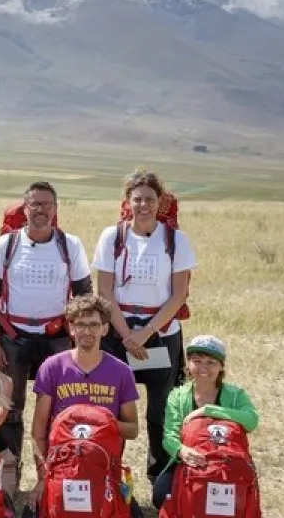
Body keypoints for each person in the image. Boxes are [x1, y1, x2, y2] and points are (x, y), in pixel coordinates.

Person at [0, 181, 92, 494]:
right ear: (24, 208)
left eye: (46, 204)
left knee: (58, 409)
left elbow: (84, 294)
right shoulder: (8, 243)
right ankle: (9, 477)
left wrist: (76, 340)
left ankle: (52, 476)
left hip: (57, 339)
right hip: (13, 339)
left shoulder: (70, 245)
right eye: (34, 204)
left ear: (55, 209)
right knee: (9, 409)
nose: (40, 210)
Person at [92, 169, 196, 483]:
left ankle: (161, 478)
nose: (143, 205)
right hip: (118, 336)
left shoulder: (176, 240)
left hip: (161, 336)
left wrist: (145, 333)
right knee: (112, 405)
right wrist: (127, 336)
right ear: (127, 202)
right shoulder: (112, 237)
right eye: (137, 199)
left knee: (160, 410)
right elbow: (105, 292)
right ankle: (107, 472)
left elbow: (179, 295)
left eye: (150, 199)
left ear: (160, 202)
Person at [25, 295, 140, 512]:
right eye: (81, 325)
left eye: (94, 325)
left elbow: (133, 430)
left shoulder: (121, 371)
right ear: (71, 328)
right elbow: (38, 432)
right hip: (63, 467)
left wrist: (103, 424)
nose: (87, 331)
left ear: (105, 329)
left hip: (104, 469)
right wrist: (43, 477)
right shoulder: (52, 367)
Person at [152, 335, 258, 510]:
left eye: (211, 362)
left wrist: (209, 410)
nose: (203, 368)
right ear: (188, 364)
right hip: (190, 460)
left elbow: (251, 420)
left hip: (227, 461)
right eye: (197, 361)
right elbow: (169, 436)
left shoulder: (235, 394)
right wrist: (181, 451)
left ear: (221, 366)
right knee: (161, 496)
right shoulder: (177, 396)